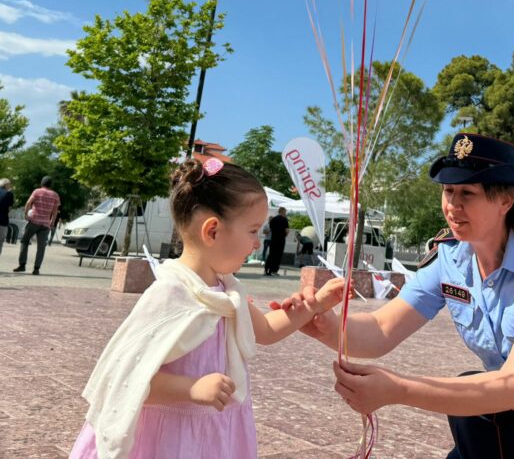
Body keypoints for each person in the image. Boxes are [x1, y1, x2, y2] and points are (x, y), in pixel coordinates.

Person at [276, 133, 514, 457]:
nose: (452, 204)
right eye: (448, 191)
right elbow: (381, 330)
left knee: (478, 406)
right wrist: (323, 324)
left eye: (468, 193)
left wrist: (398, 390)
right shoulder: (449, 257)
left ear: (505, 200)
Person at [67, 157, 347, 459]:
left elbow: (265, 329)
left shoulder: (226, 290)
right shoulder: (171, 294)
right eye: (253, 230)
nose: (257, 243)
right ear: (212, 231)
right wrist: (191, 388)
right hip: (168, 439)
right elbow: (127, 378)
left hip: (214, 434)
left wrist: (315, 304)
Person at [13, 176, 60, 275]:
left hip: (33, 221)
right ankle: (36, 268)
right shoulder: (55, 195)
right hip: (45, 224)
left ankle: (22, 265)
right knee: (41, 247)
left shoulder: (37, 191)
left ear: (42, 183)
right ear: (51, 185)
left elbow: (28, 203)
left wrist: (26, 214)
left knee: (24, 241)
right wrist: (52, 221)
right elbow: (55, 211)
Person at [263, 206, 288, 276]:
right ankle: (273, 270)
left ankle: (266, 269)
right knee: (278, 256)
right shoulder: (284, 219)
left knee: (271, 255)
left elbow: (270, 229)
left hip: (273, 239)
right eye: (285, 212)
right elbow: (287, 231)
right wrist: (284, 235)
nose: (285, 213)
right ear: (282, 211)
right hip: (281, 240)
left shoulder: (273, 219)